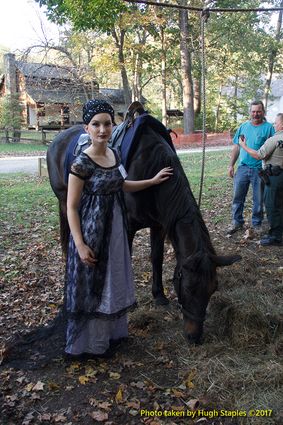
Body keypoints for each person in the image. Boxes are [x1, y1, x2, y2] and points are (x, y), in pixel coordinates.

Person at [65, 99, 173, 358]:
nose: (102, 130)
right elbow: (71, 207)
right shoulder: (82, 163)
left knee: (112, 278)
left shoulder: (114, 154)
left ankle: (113, 333)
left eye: (107, 124)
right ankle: (91, 343)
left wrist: (152, 180)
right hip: (92, 229)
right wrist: (80, 244)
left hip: (115, 228)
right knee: (94, 284)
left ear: (113, 126)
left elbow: (122, 184)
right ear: (86, 128)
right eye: (96, 124)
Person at [227, 100, 275, 235]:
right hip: (242, 168)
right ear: (250, 112)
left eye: (258, 111)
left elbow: (272, 148)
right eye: (253, 111)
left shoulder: (269, 128)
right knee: (237, 197)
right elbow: (237, 146)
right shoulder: (243, 127)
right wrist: (231, 165)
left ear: (263, 112)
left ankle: (257, 223)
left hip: (259, 170)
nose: (256, 114)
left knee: (258, 199)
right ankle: (237, 221)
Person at [239, 113, 283, 246]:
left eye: (276, 123)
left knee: (272, 205)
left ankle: (275, 237)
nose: (274, 125)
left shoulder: (275, 139)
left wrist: (243, 146)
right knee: (280, 205)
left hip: (275, 177)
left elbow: (259, 155)